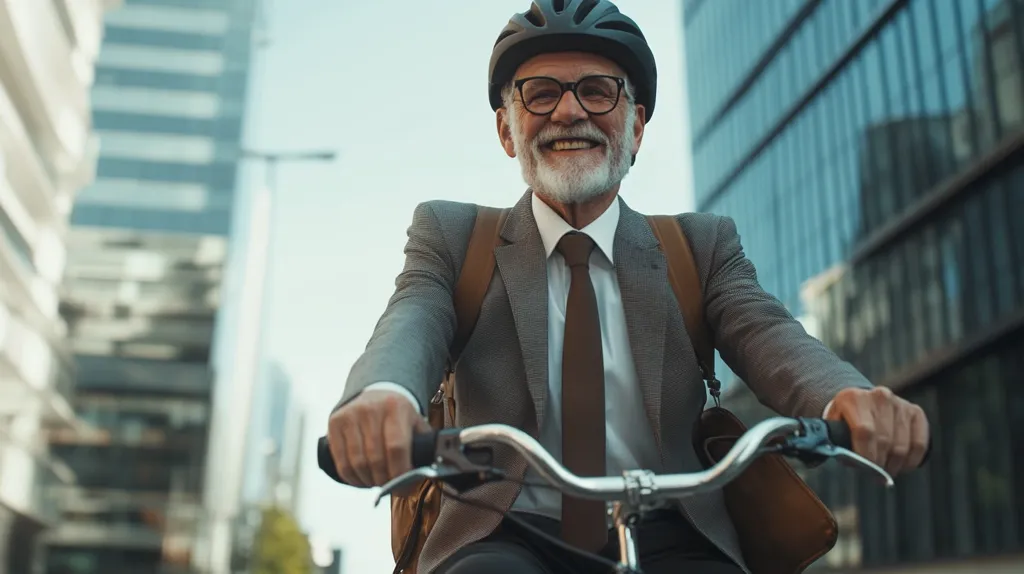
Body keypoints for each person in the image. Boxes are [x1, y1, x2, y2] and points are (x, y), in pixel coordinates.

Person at [326, 1, 931, 573]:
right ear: (507, 131)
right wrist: (382, 395)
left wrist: (846, 397)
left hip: (671, 524)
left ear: (635, 127)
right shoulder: (453, 236)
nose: (569, 113)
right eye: (540, 95)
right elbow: (414, 318)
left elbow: (768, 333)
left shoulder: (700, 246)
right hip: (503, 527)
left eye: (597, 91)